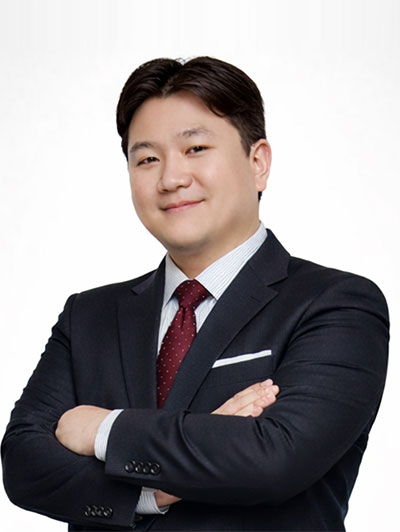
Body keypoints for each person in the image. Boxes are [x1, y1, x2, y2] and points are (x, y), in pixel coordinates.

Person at [1, 56, 389, 532]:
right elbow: (23, 465)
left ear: (258, 163)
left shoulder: (338, 305)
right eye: (147, 159)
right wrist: (153, 492)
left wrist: (104, 429)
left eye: (196, 148)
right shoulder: (89, 315)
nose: (170, 179)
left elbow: (275, 458)